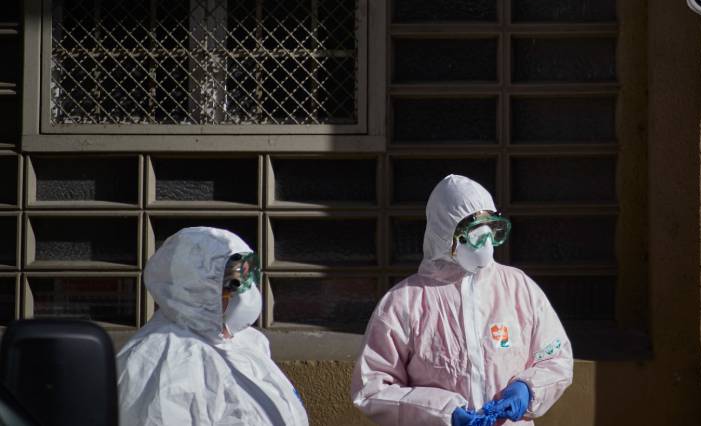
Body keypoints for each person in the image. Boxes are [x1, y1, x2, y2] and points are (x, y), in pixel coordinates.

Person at [352, 174, 573, 425]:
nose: (486, 246)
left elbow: (556, 358)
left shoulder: (518, 288)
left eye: (491, 233)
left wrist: (528, 388)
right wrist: (442, 413)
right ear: (445, 236)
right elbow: (371, 389)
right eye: (474, 236)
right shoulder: (405, 302)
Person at [116, 226, 309, 426]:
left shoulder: (247, 342)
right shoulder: (161, 365)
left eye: (245, 280)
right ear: (194, 288)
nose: (243, 294)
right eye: (233, 284)